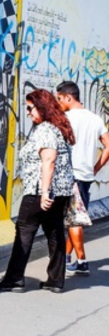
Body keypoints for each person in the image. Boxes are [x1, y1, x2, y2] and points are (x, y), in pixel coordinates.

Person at [0, 88, 74, 294]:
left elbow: (49, 160)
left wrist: (45, 192)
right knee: (54, 232)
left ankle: (14, 279)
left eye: (30, 108)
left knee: (24, 230)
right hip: (60, 191)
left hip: (40, 190)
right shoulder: (57, 126)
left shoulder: (45, 129)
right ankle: (56, 280)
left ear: (42, 107)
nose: (28, 113)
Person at [55, 80, 109, 274]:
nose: (58, 103)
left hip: (70, 175)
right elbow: (108, 145)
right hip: (86, 176)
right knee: (76, 218)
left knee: (74, 219)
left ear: (69, 97)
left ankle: (82, 261)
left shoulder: (65, 119)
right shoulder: (95, 119)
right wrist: (95, 168)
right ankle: (68, 257)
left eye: (60, 98)